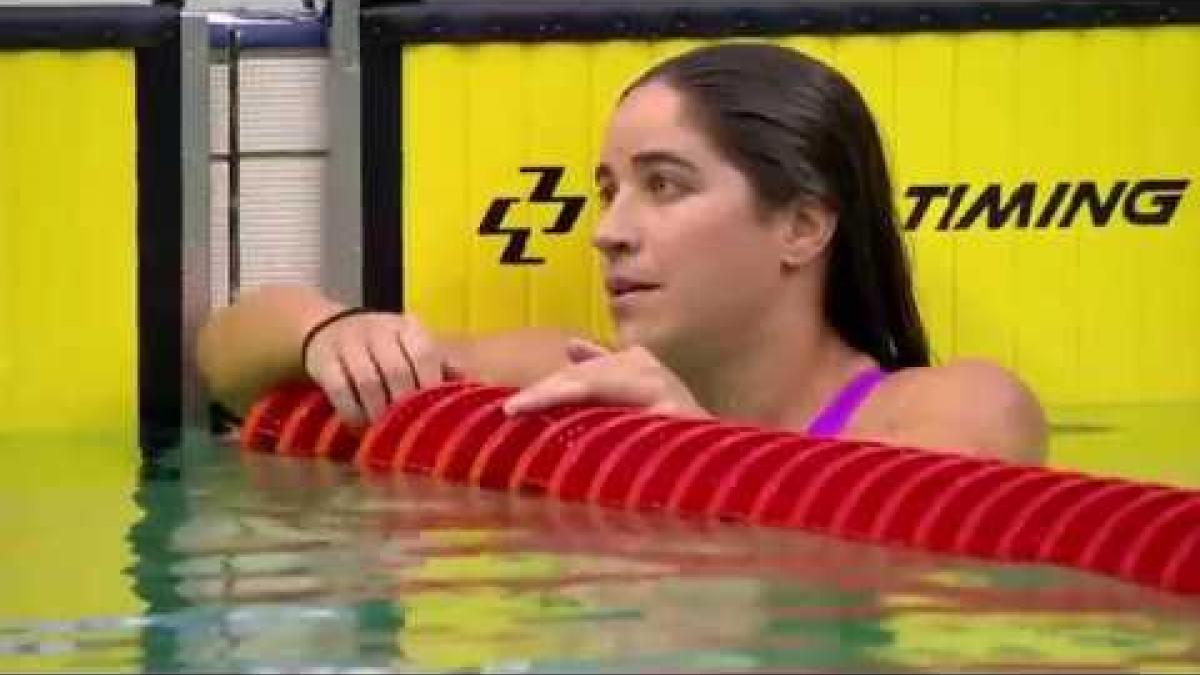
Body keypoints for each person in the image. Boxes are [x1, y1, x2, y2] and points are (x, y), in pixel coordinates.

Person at [198, 42, 1046, 463]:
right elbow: (228, 359)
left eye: (665, 185)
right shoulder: (574, 377)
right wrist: (332, 331)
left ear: (803, 227)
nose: (609, 229)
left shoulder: (948, 412)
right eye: (609, 190)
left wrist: (695, 454)